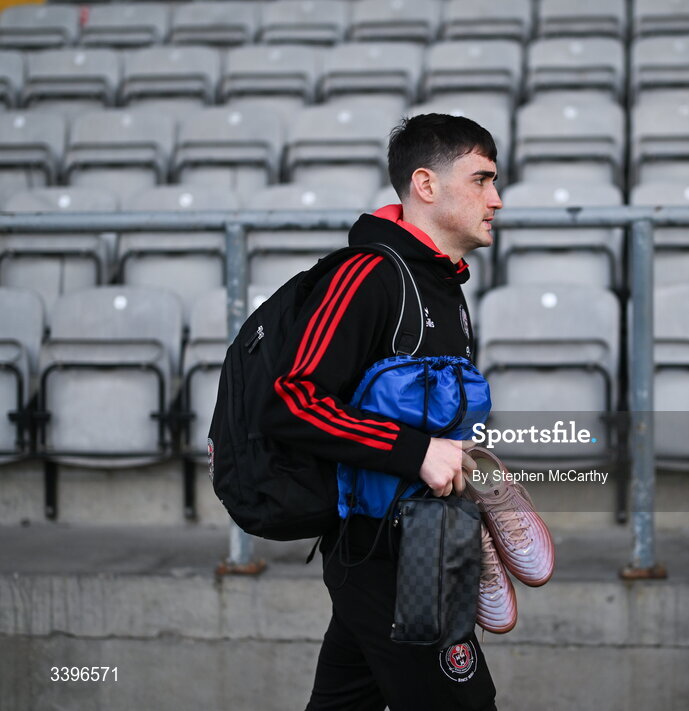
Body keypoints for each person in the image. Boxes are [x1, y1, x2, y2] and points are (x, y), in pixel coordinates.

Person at [259, 113, 503, 711]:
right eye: (481, 179)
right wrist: (417, 452)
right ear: (426, 184)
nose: (496, 199)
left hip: (426, 541)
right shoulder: (366, 275)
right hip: (387, 554)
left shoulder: (445, 287)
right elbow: (289, 400)